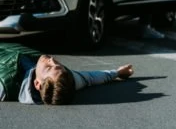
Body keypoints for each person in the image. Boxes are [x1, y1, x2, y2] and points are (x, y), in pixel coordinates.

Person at [0, 43, 134, 105]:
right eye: (58, 65)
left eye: (48, 68)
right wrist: (117, 72)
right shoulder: (67, 80)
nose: (52, 60)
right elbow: (91, 77)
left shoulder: (4, 88)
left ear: (37, 84)